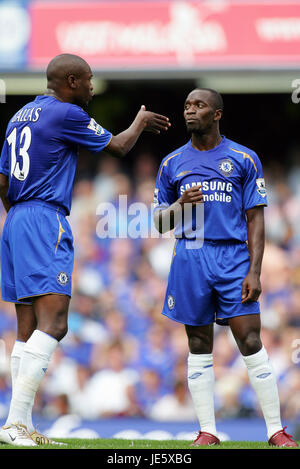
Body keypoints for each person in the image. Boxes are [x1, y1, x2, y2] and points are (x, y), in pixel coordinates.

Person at [0, 53, 170, 446]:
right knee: (56, 323)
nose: (93, 87)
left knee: (26, 328)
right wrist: (140, 122)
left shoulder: (19, 115)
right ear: (72, 81)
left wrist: (19, 218)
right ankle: (13, 422)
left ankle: (18, 424)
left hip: (16, 220)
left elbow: (2, 179)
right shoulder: (66, 113)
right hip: (44, 218)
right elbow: (119, 147)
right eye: (90, 80)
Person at [153, 88, 298, 447]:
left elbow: (255, 220)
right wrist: (179, 206)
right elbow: (158, 222)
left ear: (217, 114)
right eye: (186, 105)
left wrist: (255, 271)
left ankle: (275, 431)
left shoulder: (243, 158)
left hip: (234, 259)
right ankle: (208, 431)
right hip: (190, 256)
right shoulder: (172, 163)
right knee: (199, 344)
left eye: (199, 106)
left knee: (250, 339)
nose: (190, 111)